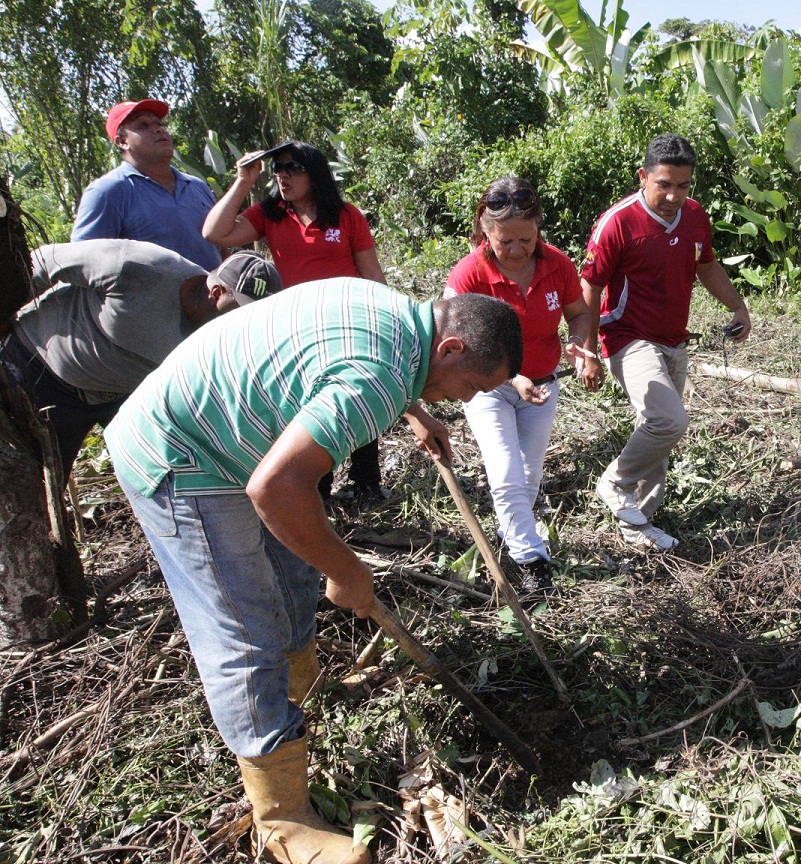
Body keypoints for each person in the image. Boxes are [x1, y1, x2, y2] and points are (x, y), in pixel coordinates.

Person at [103, 286, 522, 864]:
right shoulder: (376, 378)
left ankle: (301, 696)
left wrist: (416, 407)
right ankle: (280, 819)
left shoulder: (398, 316)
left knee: (296, 576)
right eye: (471, 388)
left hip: (233, 437)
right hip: (184, 457)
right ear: (449, 350)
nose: (463, 400)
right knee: (244, 627)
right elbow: (275, 489)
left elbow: (346, 368)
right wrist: (349, 571)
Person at [580, 133, 751, 552]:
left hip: (675, 339)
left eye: (683, 185)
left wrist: (739, 307)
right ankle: (615, 482)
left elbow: (706, 267)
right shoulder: (617, 222)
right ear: (644, 176)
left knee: (657, 429)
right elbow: (590, 286)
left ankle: (640, 525)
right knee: (669, 420)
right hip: (627, 337)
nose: (674, 195)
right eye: (664, 184)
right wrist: (586, 352)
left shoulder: (694, 216)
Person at [0, 241, 281, 482]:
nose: (244, 322)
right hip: (38, 371)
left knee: (163, 477)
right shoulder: (139, 267)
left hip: (117, 397)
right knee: (31, 482)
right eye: (241, 310)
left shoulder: (225, 335)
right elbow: (44, 260)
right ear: (217, 293)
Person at [202, 140, 388, 502]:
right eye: (278, 169)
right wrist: (243, 181)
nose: (283, 175)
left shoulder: (346, 216)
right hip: (298, 327)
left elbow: (372, 274)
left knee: (359, 396)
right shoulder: (270, 214)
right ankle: (319, 488)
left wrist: (384, 317)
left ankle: (366, 481)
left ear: (313, 172)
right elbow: (215, 233)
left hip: (348, 322)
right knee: (311, 404)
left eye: (292, 168)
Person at [444, 178, 597, 595]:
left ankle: (512, 538)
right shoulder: (469, 273)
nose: (515, 250)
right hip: (486, 388)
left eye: (525, 239)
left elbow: (579, 313)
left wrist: (582, 346)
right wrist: (511, 376)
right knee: (506, 471)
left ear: (538, 227)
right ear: (485, 230)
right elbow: (454, 342)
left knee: (528, 477)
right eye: (504, 241)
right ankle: (533, 561)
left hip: (543, 387)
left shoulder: (557, 265)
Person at [72, 99, 223, 270]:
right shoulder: (108, 192)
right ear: (122, 141)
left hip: (216, 294)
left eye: (159, 123)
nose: (158, 129)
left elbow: (221, 247)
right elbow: (83, 264)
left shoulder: (197, 186)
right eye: (143, 125)